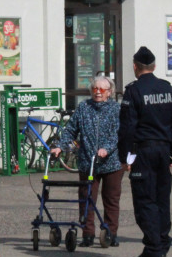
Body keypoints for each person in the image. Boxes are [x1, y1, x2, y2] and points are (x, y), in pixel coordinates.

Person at [117, 47, 172, 257]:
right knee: (161, 198)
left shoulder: (133, 91)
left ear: (135, 66)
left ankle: (153, 250)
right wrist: (171, 152)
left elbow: (127, 128)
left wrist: (125, 157)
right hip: (163, 150)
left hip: (142, 151)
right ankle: (162, 243)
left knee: (145, 200)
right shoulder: (167, 88)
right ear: (154, 67)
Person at [50, 75, 124, 247]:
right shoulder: (83, 107)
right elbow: (70, 131)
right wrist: (60, 146)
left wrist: (106, 148)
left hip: (111, 161)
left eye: (102, 90)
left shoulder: (116, 109)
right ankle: (88, 234)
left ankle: (110, 233)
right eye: (94, 89)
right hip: (87, 161)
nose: (97, 93)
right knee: (86, 197)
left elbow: (118, 133)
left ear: (110, 92)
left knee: (111, 198)